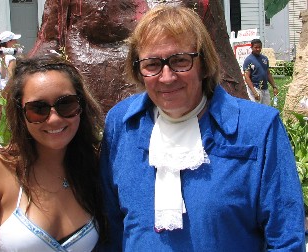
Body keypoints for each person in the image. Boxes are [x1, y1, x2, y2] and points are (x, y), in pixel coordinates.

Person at [98, 5, 305, 251]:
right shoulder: (121, 124)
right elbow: (110, 226)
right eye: (152, 64)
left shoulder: (258, 128)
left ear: (204, 63)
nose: (167, 77)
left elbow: (285, 239)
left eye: (180, 61)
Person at [0, 54, 107, 251]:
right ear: (20, 113)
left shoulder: (94, 168)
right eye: (38, 109)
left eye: (66, 104)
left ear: (81, 106)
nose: (54, 119)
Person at [243, 38, 279, 105]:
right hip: (255, 88)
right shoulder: (249, 60)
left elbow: (268, 73)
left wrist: (274, 86)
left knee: (266, 109)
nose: (258, 49)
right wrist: (254, 92)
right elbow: (247, 77)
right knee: (256, 110)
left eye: (259, 47)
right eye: (255, 47)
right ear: (251, 47)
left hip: (265, 88)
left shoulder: (264, 59)